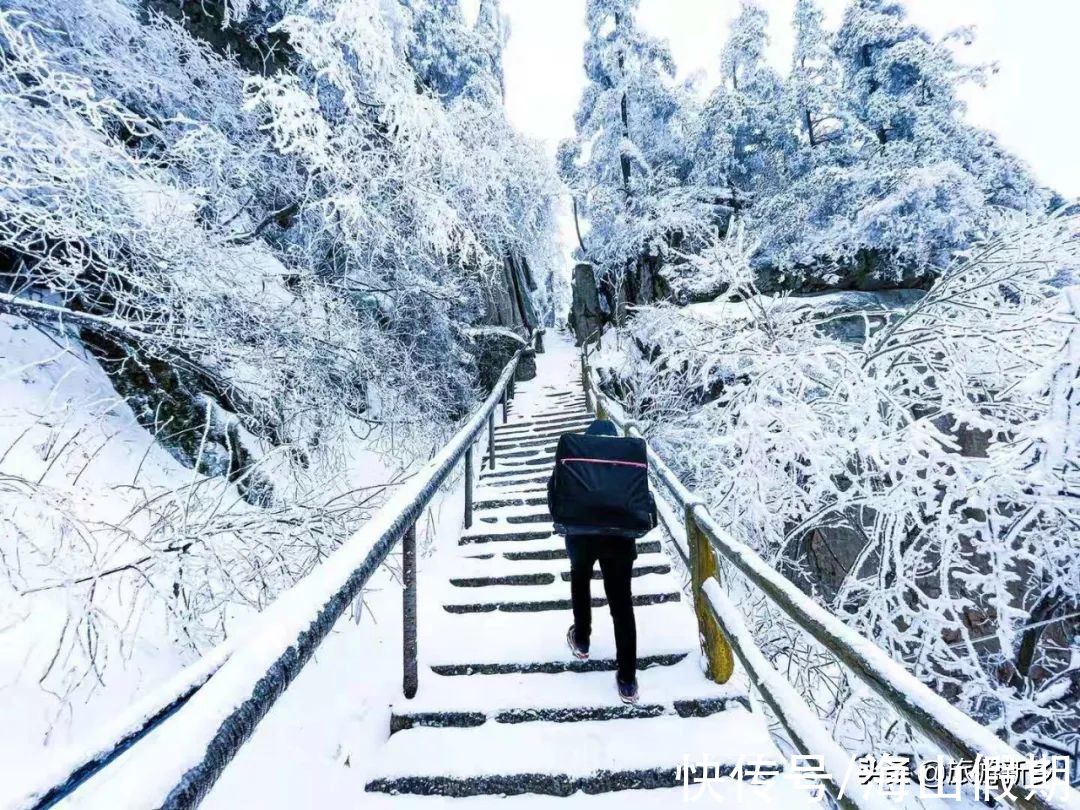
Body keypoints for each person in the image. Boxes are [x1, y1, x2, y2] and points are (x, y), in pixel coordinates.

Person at [553, 419, 646, 705]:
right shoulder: (627, 460)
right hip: (620, 539)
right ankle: (627, 680)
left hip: (581, 535)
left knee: (580, 580)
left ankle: (581, 639)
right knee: (622, 606)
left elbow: (555, 491)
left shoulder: (578, 457)